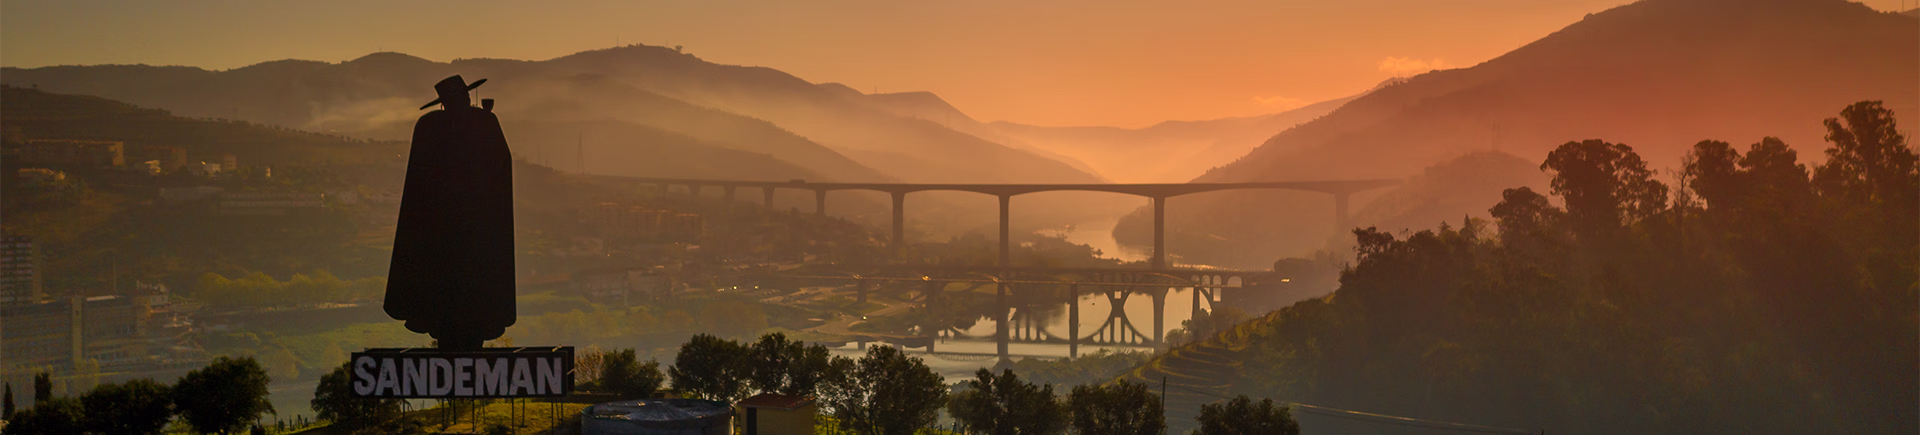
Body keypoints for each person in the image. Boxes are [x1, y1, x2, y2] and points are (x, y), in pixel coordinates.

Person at [385, 75, 516, 350]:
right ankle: (457, 328)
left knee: (449, 276)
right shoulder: (482, 123)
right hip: (466, 223)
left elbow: (419, 177)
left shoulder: (431, 126)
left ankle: (452, 327)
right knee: (465, 276)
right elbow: (502, 165)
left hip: (446, 224)